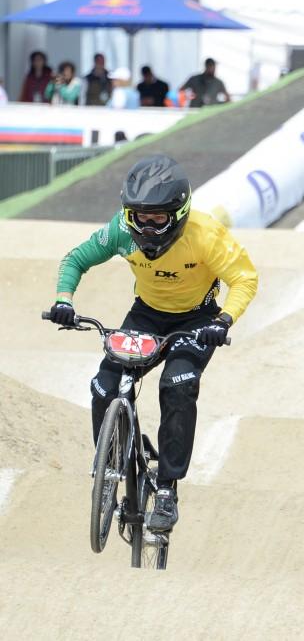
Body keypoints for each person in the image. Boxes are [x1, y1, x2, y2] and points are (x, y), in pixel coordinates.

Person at [46, 155, 258, 532]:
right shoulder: (121, 230)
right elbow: (76, 259)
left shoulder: (205, 235)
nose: (146, 227)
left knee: (177, 386)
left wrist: (223, 320)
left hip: (198, 320)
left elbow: (244, 278)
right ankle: (111, 465)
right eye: (139, 217)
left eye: (157, 218)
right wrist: (64, 300)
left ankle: (166, 488)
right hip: (146, 316)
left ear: (179, 214)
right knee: (103, 387)